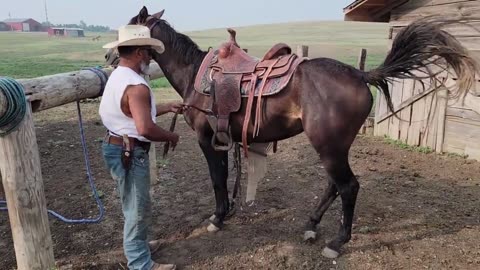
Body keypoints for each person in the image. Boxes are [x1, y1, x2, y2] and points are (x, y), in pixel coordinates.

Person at [99, 25, 180, 270]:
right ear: (137, 53)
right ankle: (140, 263)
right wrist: (170, 136)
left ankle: (139, 246)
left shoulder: (119, 76)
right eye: (147, 51)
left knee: (132, 203)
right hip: (131, 152)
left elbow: (131, 113)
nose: (150, 56)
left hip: (117, 145)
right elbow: (145, 128)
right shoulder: (136, 86)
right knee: (137, 208)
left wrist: (167, 107)